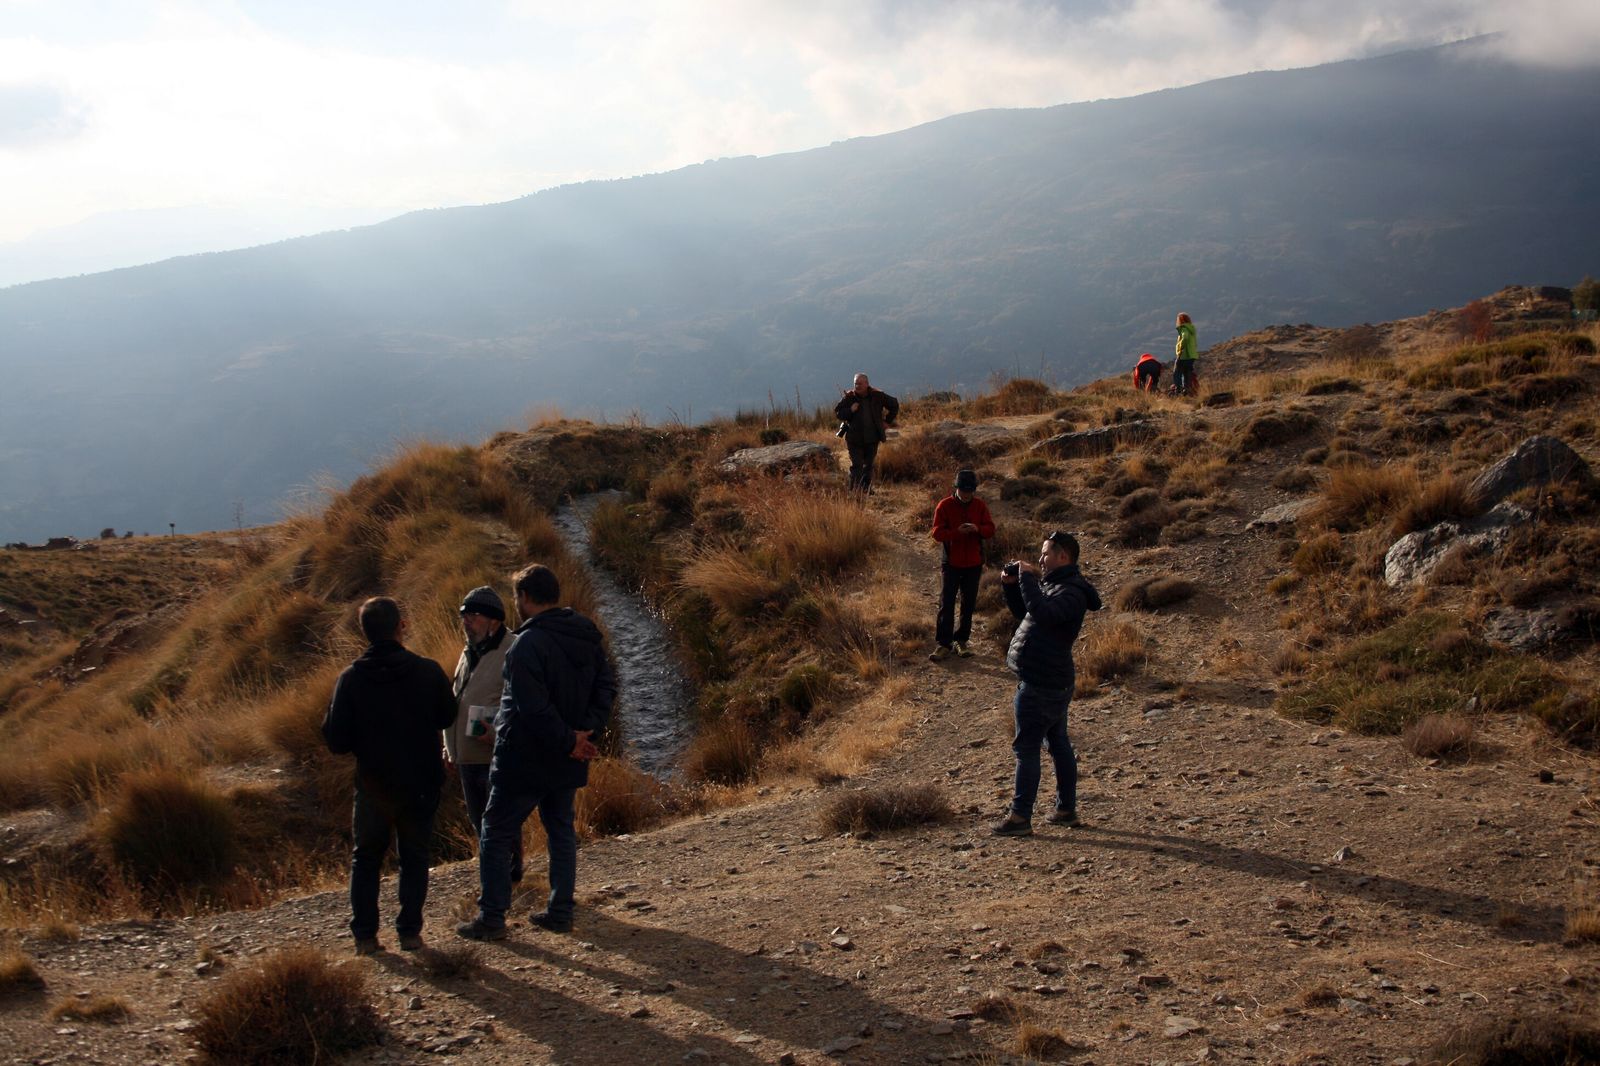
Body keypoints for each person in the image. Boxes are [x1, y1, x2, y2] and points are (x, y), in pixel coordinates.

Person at [458, 564, 615, 940]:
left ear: (524, 599)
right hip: (565, 758)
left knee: (495, 832)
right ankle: (560, 911)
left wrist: (570, 739)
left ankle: (492, 917)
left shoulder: (527, 644)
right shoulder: (587, 637)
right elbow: (607, 687)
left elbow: (530, 706)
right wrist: (584, 733)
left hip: (523, 758)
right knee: (560, 830)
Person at [322, 597, 457, 954]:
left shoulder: (350, 679)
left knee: (366, 857)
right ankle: (409, 932)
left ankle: (365, 936)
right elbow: (447, 716)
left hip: (373, 785)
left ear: (365, 632)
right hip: (421, 782)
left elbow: (336, 740)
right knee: (414, 857)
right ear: (402, 626)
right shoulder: (427, 671)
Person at [993, 532, 1101, 837]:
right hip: (1050, 679)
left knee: (1027, 749)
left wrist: (1027, 578)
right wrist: (1012, 586)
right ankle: (1066, 810)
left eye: (1045, 554)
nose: (1041, 560)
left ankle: (1020, 817)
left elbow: (1043, 612)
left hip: (1042, 683)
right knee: (1057, 743)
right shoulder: (1059, 585)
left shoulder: (1071, 593)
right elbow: (1028, 613)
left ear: (1063, 556)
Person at [443, 585, 520, 883]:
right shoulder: (469, 651)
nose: (466, 621)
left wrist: (499, 730)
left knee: (500, 824)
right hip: (465, 757)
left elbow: (524, 703)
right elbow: (457, 698)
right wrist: (447, 747)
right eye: (463, 615)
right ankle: (498, 877)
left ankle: (508, 880)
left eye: (473, 615)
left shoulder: (513, 648)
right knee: (480, 823)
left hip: (496, 756)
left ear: (494, 620)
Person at [929, 468, 995, 662]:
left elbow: (990, 529)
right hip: (951, 563)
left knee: (968, 604)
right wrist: (956, 533)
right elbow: (936, 533)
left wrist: (977, 529)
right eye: (963, 490)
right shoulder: (944, 506)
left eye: (970, 491)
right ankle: (943, 643)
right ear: (956, 488)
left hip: (973, 563)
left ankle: (961, 641)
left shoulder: (980, 505)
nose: (967, 494)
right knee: (946, 602)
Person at [833, 372, 899, 493]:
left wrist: (887, 421)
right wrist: (850, 410)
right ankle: (854, 491)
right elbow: (838, 413)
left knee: (868, 465)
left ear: (867, 384)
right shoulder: (849, 397)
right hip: (854, 439)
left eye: (860, 383)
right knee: (857, 465)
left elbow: (894, 405)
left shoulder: (877, 395)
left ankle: (866, 489)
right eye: (855, 383)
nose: (857, 386)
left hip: (872, 438)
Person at [1173, 313, 1198, 396]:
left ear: (1181, 320)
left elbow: (1185, 338)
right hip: (1192, 355)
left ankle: (1178, 390)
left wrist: (1180, 347)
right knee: (1187, 372)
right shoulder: (1192, 329)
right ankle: (1187, 390)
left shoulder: (1184, 328)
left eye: (1178, 320)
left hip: (1184, 355)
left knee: (1177, 372)